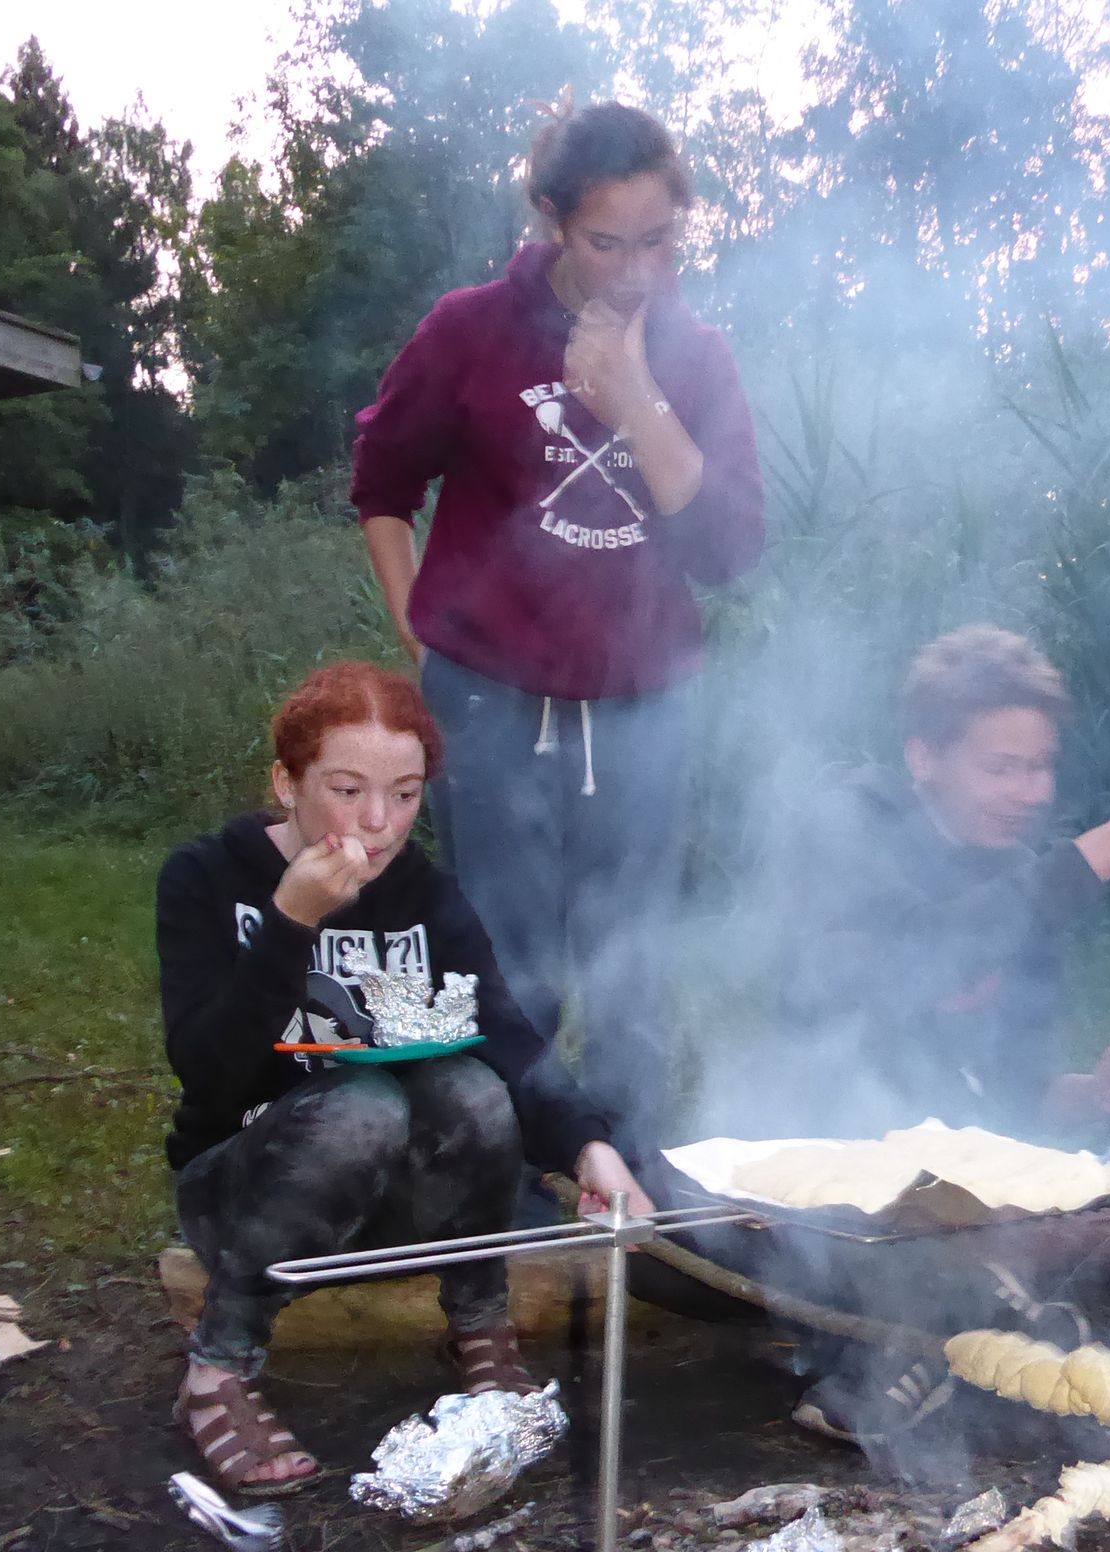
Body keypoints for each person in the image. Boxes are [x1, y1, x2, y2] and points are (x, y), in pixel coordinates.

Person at [684, 625, 1110, 1445]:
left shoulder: (1017, 871)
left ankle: (958, 1326)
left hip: (940, 1178)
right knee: (954, 1222)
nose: (1028, 792)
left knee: (1083, 1215)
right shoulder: (851, 826)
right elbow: (901, 978)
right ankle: (948, 1328)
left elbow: (1006, 1086)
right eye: (1002, 767)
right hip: (814, 1158)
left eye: (1041, 767)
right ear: (925, 757)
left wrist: (1088, 1093)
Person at [350, 100, 765, 1162]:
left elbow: (727, 551)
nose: (636, 267)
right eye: (606, 241)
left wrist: (634, 401)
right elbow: (383, 482)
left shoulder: (697, 353)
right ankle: (515, 1172)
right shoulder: (469, 331)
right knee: (508, 955)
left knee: (634, 963)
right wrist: (419, 630)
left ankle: (631, 1186)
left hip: (647, 700)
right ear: (549, 219)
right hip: (492, 700)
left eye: (660, 240)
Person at [155, 661, 645, 1496]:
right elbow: (210, 1075)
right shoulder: (206, 878)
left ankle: (480, 1329)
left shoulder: (422, 892)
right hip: (243, 1196)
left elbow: (507, 1036)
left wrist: (589, 1145)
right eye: (347, 790)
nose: (378, 824)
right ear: (287, 782)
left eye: (407, 794)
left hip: (394, 1206)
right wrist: (290, 921)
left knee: (474, 1089)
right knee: (363, 1103)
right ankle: (218, 1370)